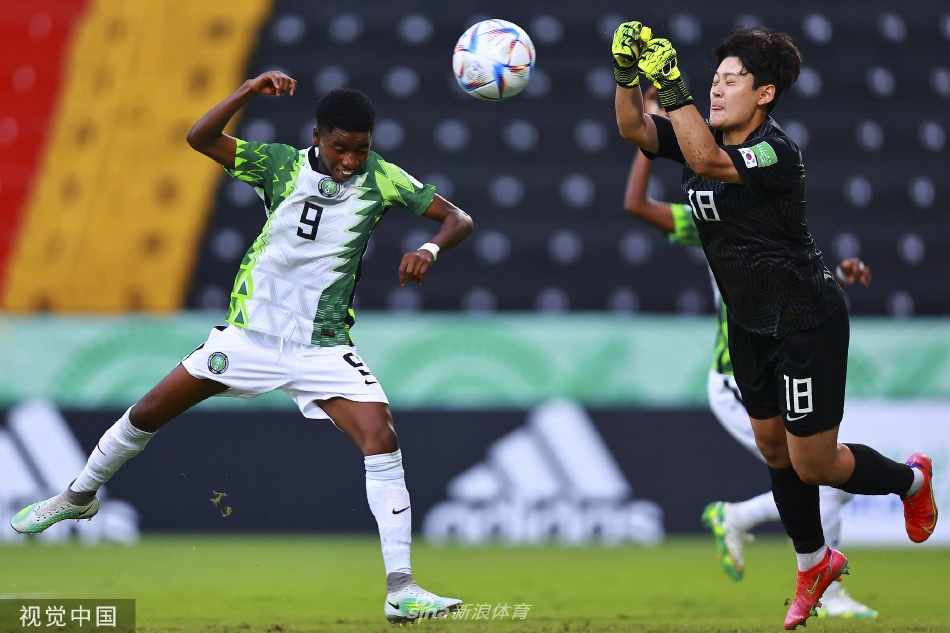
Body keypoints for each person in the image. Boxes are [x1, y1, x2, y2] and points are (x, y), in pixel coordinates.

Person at [11, 71, 472, 625]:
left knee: (381, 436)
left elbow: (457, 218)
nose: (351, 160)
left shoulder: (384, 178)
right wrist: (248, 92)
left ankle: (401, 589)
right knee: (150, 411)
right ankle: (78, 497)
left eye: (361, 149)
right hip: (249, 336)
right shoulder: (279, 164)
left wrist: (429, 247)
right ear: (319, 136)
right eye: (342, 148)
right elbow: (200, 138)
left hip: (321, 346)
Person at [610, 23, 937, 629]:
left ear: (763, 94)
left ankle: (911, 481)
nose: (715, 90)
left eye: (730, 81)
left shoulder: (775, 152)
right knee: (772, 450)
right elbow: (632, 128)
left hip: (805, 321)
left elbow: (708, 160)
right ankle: (815, 563)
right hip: (750, 324)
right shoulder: (695, 135)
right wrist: (629, 78)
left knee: (814, 464)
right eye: (713, 80)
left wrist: (672, 84)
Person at [624, 86, 877, 619]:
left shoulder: (768, 190)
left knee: (817, 470)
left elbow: (791, 271)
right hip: (734, 373)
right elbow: (638, 205)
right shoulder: (704, 210)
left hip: (782, 343)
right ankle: (825, 588)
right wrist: (647, 142)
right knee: (816, 476)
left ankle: (747, 525)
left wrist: (840, 276)